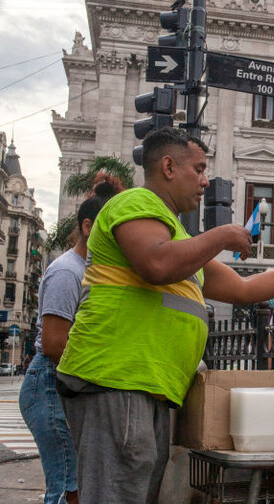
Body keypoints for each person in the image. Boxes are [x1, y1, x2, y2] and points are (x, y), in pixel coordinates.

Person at [55, 127, 274, 503]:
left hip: (143, 387)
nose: (206, 181)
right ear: (169, 166)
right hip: (116, 381)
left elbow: (245, 290)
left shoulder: (180, 242)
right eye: (199, 169)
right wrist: (220, 236)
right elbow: (156, 264)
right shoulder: (133, 203)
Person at [19, 180, 120, 504]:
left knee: (76, 483)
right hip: (49, 385)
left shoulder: (94, 270)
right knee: (66, 484)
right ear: (88, 227)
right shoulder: (67, 271)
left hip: (67, 386)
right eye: (111, 227)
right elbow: (52, 344)